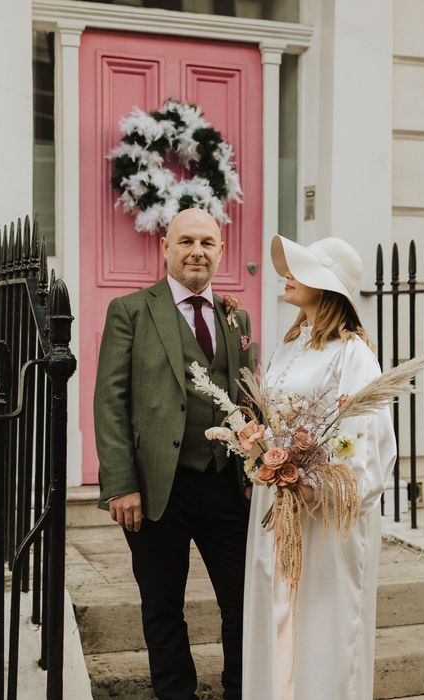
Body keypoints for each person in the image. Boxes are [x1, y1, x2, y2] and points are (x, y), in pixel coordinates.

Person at [94, 208, 255, 700]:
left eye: (207, 242)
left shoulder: (237, 315)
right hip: (157, 488)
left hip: (227, 486)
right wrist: (121, 482)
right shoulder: (132, 310)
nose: (197, 252)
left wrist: (257, 459)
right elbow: (110, 399)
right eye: (186, 241)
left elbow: (247, 396)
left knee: (243, 602)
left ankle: (242, 690)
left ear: (221, 251)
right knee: (162, 606)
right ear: (165, 247)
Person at [243, 235, 397, 700]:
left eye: (301, 269)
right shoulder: (289, 345)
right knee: (276, 612)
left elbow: (367, 446)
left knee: (323, 626)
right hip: (277, 505)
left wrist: (312, 487)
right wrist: (257, 449)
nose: (287, 274)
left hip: (322, 516)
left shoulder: (354, 355)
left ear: (327, 286)